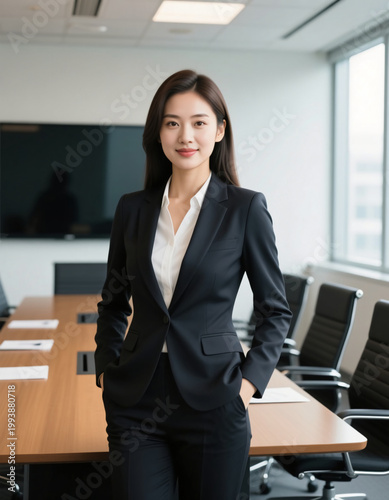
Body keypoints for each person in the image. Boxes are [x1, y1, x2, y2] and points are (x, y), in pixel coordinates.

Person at [94, 69, 292, 500]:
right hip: (136, 398)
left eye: (199, 122)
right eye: (172, 122)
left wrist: (247, 385)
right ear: (159, 133)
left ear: (219, 130)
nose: (186, 135)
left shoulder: (245, 209)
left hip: (215, 397)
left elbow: (275, 309)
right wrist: (108, 366)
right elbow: (113, 302)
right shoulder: (133, 209)